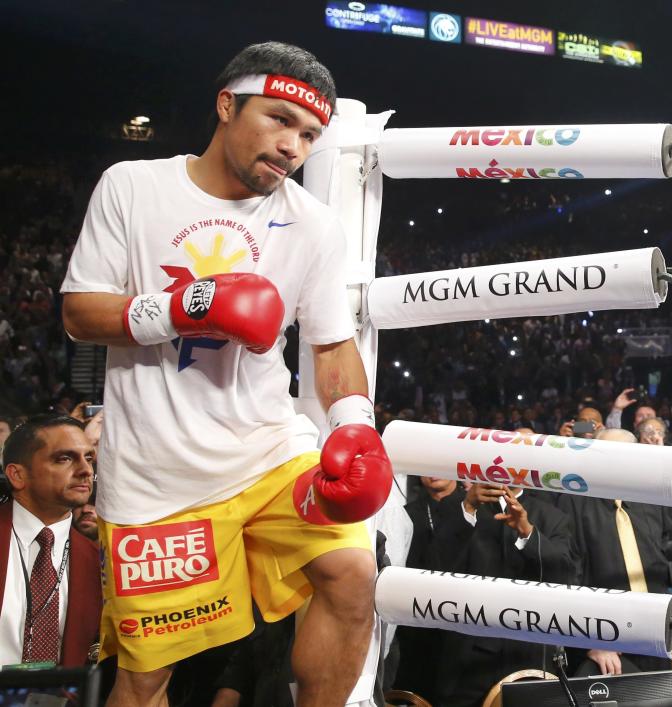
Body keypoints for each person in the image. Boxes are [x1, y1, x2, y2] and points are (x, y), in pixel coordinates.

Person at [59, 42, 393, 706]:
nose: (294, 145)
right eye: (279, 120)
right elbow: (78, 311)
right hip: (159, 475)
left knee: (353, 571)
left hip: (270, 451)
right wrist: (184, 306)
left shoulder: (314, 225)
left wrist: (356, 424)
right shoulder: (133, 185)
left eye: (309, 135)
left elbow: (331, 347)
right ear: (226, 104)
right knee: (147, 674)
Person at [428, 478, 576, 705]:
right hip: (467, 655)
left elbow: (563, 575)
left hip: (529, 653)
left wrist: (527, 533)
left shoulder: (552, 515)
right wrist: (468, 508)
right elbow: (436, 565)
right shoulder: (454, 506)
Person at [558, 428, 672, 677]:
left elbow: (663, 552)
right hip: (606, 637)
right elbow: (569, 574)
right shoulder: (574, 500)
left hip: (655, 626)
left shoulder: (652, 496)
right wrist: (590, 639)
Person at [0, 415, 101, 666]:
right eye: (65, 458)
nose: (85, 470)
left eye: (89, 458)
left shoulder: (100, 560)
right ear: (17, 475)